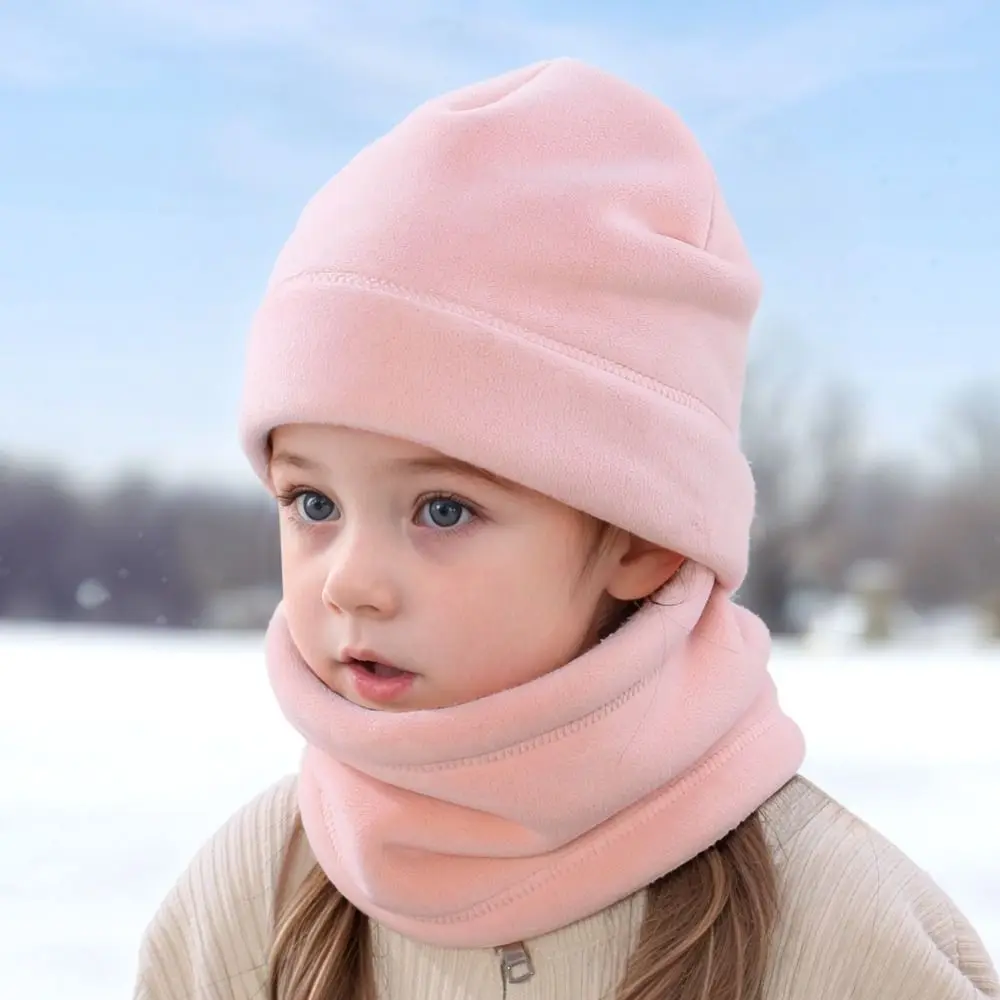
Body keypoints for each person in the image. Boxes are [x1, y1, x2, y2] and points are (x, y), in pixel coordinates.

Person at [132, 58, 998, 1000]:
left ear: (643, 536)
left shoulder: (838, 934)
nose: (349, 582)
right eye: (313, 504)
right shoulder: (247, 904)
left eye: (443, 510)